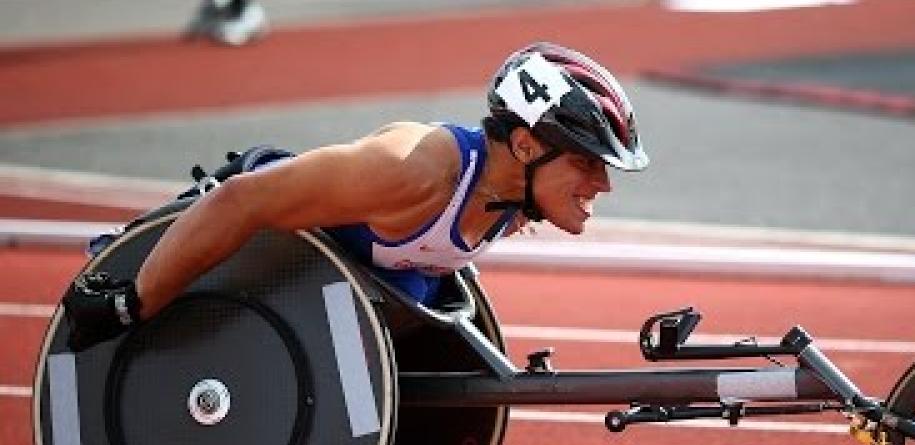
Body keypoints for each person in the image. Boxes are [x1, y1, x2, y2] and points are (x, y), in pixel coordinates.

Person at [62, 42, 648, 352]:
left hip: (342, 289)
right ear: (523, 146)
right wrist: (130, 303)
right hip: (238, 230)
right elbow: (241, 201)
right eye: (587, 163)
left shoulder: (512, 197)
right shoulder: (410, 172)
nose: (603, 184)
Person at [185, 0, 268, 46]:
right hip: (232, 18)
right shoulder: (209, 4)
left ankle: (254, 29)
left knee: (229, 37)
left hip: (246, 18)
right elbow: (205, 14)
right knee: (216, 30)